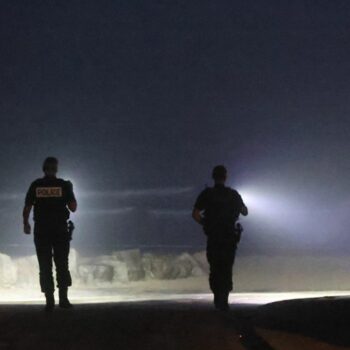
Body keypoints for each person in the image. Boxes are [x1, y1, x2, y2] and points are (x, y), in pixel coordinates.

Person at [22, 157, 77, 311]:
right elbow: (73, 207)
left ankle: (49, 301)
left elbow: (27, 207)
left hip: (42, 231)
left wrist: (25, 224)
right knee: (62, 264)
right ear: (56, 169)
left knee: (45, 266)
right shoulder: (64, 185)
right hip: (60, 230)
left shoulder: (36, 185)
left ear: (44, 169)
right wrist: (70, 190)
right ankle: (64, 300)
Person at [192, 165, 248, 311]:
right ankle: (224, 301)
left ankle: (219, 300)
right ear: (226, 177)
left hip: (214, 238)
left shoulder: (207, 194)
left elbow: (195, 214)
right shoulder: (233, 194)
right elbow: (245, 211)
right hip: (229, 238)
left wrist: (206, 223)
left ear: (213, 177)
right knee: (226, 268)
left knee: (215, 268)